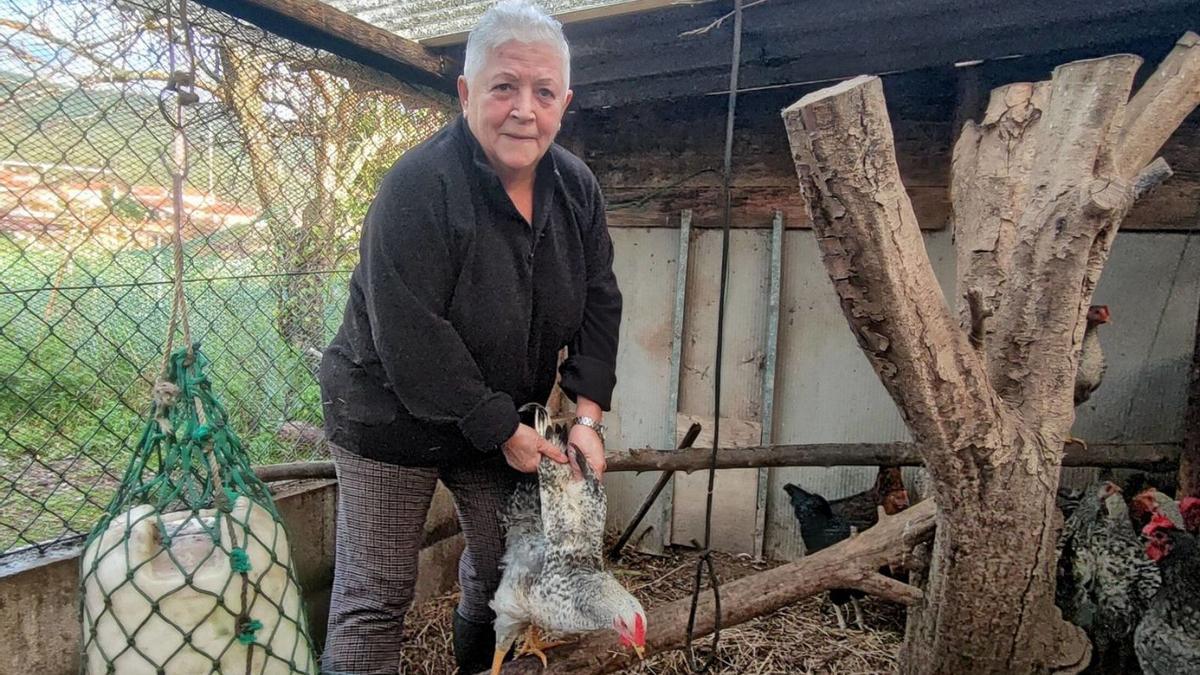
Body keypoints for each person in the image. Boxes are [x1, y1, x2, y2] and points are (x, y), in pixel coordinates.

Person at [316, 1, 622, 672]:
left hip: (497, 407)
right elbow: (413, 340)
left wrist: (588, 417)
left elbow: (599, 302)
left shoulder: (577, 191)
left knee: (507, 573)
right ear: (466, 93)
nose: (524, 109)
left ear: (563, 103)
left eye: (544, 92)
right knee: (377, 592)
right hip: (386, 408)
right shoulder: (418, 187)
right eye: (504, 87)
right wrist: (504, 430)